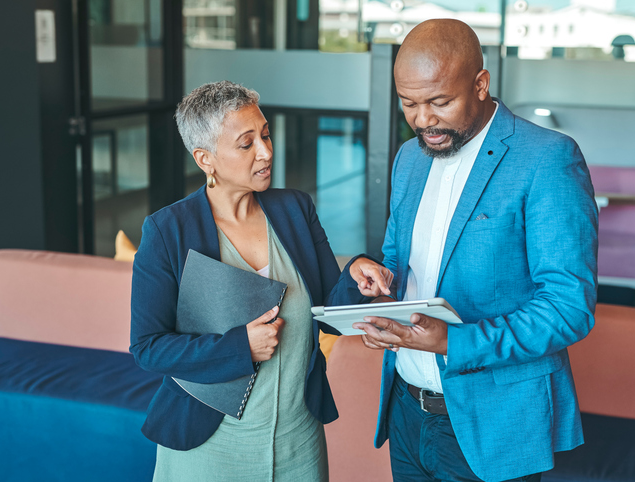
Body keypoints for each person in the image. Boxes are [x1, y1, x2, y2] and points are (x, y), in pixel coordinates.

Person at [352, 19, 598, 482]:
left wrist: (453, 341)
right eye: (409, 103)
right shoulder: (409, 159)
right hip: (406, 409)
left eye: (439, 102)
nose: (423, 119)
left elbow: (569, 307)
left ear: (481, 84)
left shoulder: (547, 159)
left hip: (495, 422)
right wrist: (375, 280)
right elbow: (397, 261)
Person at [130, 81, 392, 482]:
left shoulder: (294, 209)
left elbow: (327, 310)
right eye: (246, 143)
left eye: (266, 135)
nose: (266, 152)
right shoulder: (168, 231)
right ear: (206, 159)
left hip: (298, 442)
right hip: (210, 447)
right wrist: (240, 347)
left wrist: (356, 272)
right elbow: (148, 348)